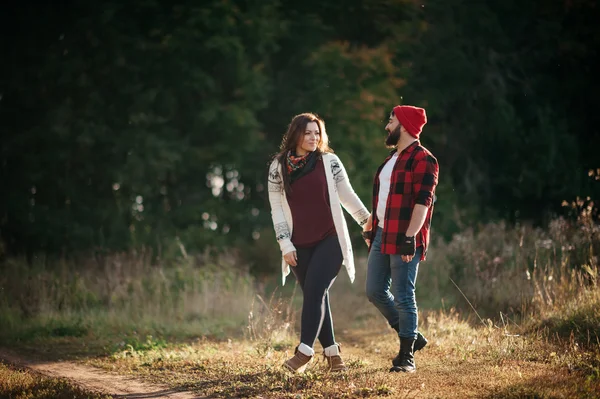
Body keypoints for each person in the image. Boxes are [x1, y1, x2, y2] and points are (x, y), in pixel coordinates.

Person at [268, 113, 370, 373]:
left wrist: (368, 222)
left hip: (330, 238)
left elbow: (347, 195)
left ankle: (304, 351)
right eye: (308, 133)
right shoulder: (278, 167)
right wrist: (285, 245)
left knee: (314, 291)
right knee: (317, 295)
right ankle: (334, 356)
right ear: (296, 135)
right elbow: (277, 209)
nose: (314, 138)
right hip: (298, 244)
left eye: (318, 133)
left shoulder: (329, 161)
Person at [362, 105, 439, 373]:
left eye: (391, 121)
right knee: (374, 290)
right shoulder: (389, 160)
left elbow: (423, 203)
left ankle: (406, 357)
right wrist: (371, 225)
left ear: (404, 125)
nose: (387, 126)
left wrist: (410, 237)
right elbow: (383, 199)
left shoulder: (424, 159)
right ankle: (412, 335)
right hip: (382, 233)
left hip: (405, 235)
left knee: (404, 295)